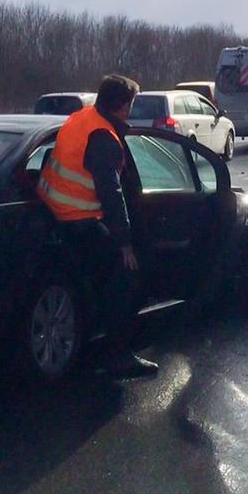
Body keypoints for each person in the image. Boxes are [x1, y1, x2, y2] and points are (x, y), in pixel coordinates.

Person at [37, 74, 158, 380]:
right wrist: (125, 242)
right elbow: (111, 192)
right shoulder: (104, 137)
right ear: (121, 105)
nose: (131, 109)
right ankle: (117, 355)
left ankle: (94, 340)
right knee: (125, 277)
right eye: (130, 103)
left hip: (53, 213)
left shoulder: (81, 118)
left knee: (93, 281)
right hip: (80, 220)